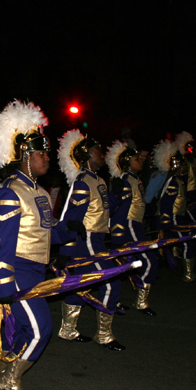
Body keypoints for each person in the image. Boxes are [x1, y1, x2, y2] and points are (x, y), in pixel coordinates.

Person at [0, 100, 82, 390]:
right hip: (16, 271)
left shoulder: (38, 191)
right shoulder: (10, 191)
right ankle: (9, 380)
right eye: (41, 153)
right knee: (41, 329)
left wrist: (67, 231)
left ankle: (3, 372)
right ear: (25, 156)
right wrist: (2, 285)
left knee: (26, 331)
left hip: (37, 270)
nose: (47, 158)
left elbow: (44, 232)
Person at [57, 129, 125, 351]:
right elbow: (71, 219)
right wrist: (65, 253)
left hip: (97, 241)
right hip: (85, 242)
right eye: (98, 150)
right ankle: (104, 335)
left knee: (79, 285)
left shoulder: (100, 180)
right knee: (111, 281)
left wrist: (117, 196)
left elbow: (104, 212)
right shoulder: (83, 182)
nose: (102, 154)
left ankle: (68, 330)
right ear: (87, 155)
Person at [107, 140, 157, 315]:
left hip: (135, 226)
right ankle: (140, 302)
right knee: (149, 259)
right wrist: (118, 235)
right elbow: (119, 210)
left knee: (124, 265)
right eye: (137, 158)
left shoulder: (136, 179)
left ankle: (117, 299)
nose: (141, 161)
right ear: (128, 161)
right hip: (128, 227)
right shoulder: (127, 180)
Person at [154, 140, 196, 281]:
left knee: (185, 241)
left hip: (177, 217)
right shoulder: (174, 182)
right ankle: (188, 274)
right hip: (173, 218)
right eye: (183, 164)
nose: (186, 166)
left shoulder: (178, 180)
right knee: (186, 243)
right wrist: (167, 223)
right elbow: (167, 203)